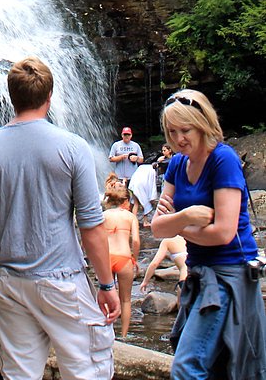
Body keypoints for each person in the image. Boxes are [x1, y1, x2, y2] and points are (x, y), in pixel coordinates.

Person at [0, 56, 120, 380]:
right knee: (88, 371)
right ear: (50, 96)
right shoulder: (73, 147)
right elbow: (91, 226)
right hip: (61, 280)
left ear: (10, 96)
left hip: (8, 283)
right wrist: (106, 284)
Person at [152, 88, 266, 380]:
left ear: (202, 124)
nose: (178, 139)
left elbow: (223, 233)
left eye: (185, 130)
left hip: (229, 274)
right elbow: (156, 228)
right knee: (214, 368)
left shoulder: (222, 159)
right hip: (199, 272)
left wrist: (176, 224)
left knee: (186, 367)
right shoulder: (177, 163)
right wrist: (188, 217)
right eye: (172, 131)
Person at [103, 187, 140, 339]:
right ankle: (124, 336)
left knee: (106, 295)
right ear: (125, 201)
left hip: (107, 257)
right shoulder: (131, 217)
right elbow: (136, 241)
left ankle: (106, 332)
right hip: (124, 258)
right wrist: (134, 259)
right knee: (126, 300)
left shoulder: (104, 215)